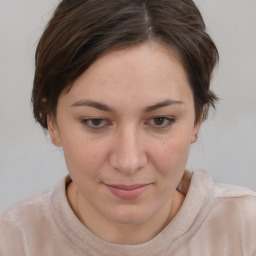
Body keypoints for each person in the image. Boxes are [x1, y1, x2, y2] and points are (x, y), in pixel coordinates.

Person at [0, 0, 255, 255]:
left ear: (197, 119)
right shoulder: (12, 242)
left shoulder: (246, 231)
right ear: (52, 121)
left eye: (160, 120)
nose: (128, 161)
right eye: (95, 121)